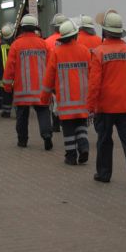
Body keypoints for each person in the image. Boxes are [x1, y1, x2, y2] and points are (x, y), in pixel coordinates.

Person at [88, 10, 126, 189]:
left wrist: (90, 105)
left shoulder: (98, 53)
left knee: (104, 140)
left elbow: (94, 83)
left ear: (104, 32)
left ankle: (104, 174)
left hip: (105, 107)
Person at [41, 20, 91, 165]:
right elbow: (91, 73)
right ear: (75, 35)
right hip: (82, 99)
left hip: (65, 100)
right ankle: (84, 147)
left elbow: (49, 77)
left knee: (68, 129)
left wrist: (44, 98)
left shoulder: (57, 52)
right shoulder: (85, 51)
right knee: (81, 125)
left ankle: (70, 157)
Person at [2, 15, 53, 150]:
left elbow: (10, 68)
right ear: (36, 27)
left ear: (21, 28)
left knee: (22, 116)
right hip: (41, 89)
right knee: (43, 112)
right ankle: (47, 134)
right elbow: (50, 66)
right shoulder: (44, 44)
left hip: (22, 89)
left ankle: (22, 140)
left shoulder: (16, 45)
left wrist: (7, 85)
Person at [46, 13, 67, 133]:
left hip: (53, 76)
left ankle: (55, 124)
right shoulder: (72, 40)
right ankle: (65, 122)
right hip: (67, 75)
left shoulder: (47, 41)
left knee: (53, 101)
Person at [0, 24, 14, 118]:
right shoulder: (16, 44)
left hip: (4, 75)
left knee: (6, 94)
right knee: (16, 94)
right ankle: (19, 112)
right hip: (16, 75)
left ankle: (6, 112)